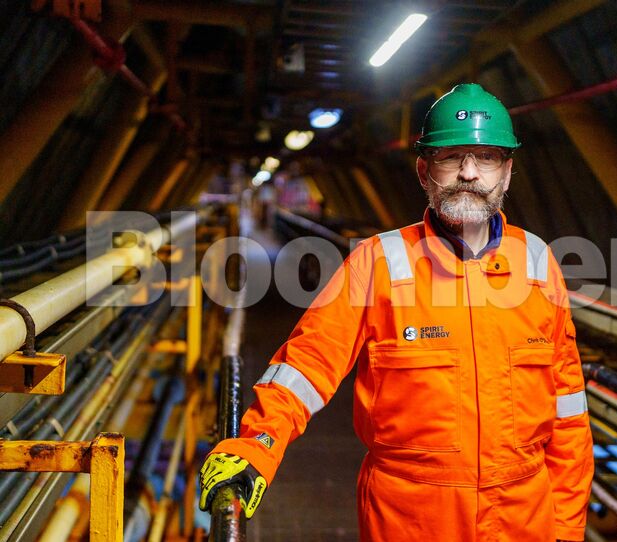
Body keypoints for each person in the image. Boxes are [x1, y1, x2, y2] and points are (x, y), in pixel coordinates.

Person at [199, 83, 594, 541]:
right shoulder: (378, 262)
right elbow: (305, 366)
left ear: (507, 173)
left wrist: (565, 529)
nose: (469, 172)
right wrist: (256, 447)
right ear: (425, 172)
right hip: (411, 518)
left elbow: (568, 415)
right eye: (451, 157)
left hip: (523, 518)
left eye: (486, 157)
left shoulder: (539, 265)